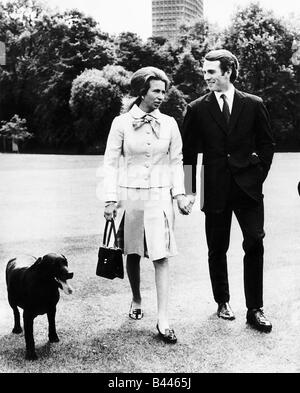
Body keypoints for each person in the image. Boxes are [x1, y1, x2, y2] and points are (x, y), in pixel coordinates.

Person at [182, 49, 275, 332]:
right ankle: (222, 300)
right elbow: (188, 155)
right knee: (217, 248)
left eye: (211, 71)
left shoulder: (254, 104)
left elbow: (267, 144)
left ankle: (255, 309)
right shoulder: (197, 108)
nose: (206, 76)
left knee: (255, 243)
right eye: (205, 71)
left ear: (228, 71)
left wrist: (257, 176)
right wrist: (189, 191)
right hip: (215, 188)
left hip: (248, 189)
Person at [103, 66, 189, 343]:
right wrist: (110, 198)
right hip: (131, 196)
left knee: (161, 256)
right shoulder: (121, 123)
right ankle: (137, 299)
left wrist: (180, 195)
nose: (162, 96)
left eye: (164, 91)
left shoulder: (171, 124)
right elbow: (110, 163)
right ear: (142, 91)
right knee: (133, 253)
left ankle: (164, 319)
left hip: (161, 196)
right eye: (156, 90)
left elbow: (177, 162)